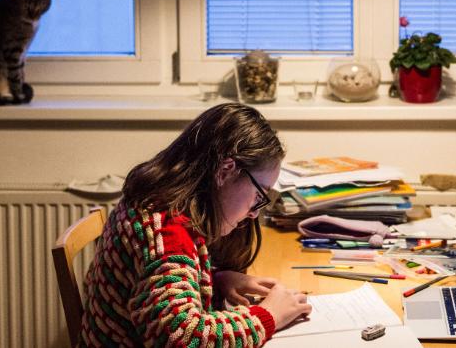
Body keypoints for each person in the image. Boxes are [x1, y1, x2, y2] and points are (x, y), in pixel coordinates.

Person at [79, 103, 312, 347]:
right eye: (258, 195)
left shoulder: (153, 203)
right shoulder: (166, 233)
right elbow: (182, 337)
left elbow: (156, 284)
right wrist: (268, 315)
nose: (254, 213)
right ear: (225, 171)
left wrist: (216, 279)